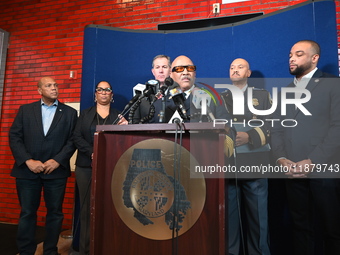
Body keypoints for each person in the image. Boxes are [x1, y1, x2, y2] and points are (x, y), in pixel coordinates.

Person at [271, 40, 340, 254]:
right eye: (291, 54)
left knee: (333, 229)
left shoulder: (333, 84)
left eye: (299, 54)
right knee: (300, 229)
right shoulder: (284, 91)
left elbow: (337, 127)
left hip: (324, 171)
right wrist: (281, 158)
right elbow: (276, 130)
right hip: (292, 172)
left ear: (314, 58)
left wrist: (312, 161)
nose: (292, 58)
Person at [9, 76, 78, 255]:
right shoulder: (25, 110)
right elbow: (15, 137)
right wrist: (27, 161)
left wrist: (57, 160)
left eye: (55, 85)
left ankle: (50, 250)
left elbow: (72, 141)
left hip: (55, 173)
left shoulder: (70, 113)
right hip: (27, 171)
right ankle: (25, 251)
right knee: (27, 213)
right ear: (39, 90)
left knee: (55, 214)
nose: (54, 88)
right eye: (48, 86)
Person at [218, 58, 271, 255]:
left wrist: (250, 136)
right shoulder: (219, 98)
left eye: (240, 67)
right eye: (231, 67)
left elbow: (273, 124)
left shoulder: (262, 96)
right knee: (230, 220)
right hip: (228, 164)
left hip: (255, 162)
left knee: (259, 219)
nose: (235, 70)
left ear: (248, 73)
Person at [73, 81, 127, 255]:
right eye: (100, 90)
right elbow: (77, 137)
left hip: (112, 166)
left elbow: (122, 140)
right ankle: (85, 250)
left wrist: (126, 128)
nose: (104, 92)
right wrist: (92, 152)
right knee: (87, 209)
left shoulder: (120, 116)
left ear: (111, 95)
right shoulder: (85, 114)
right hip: (85, 167)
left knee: (112, 207)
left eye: (107, 90)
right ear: (95, 94)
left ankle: (109, 248)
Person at [132, 54, 171, 124]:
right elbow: (135, 122)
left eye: (164, 67)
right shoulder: (143, 94)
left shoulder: (177, 94)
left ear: (170, 70)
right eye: (157, 67)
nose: (161, 71)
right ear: (153, 71)